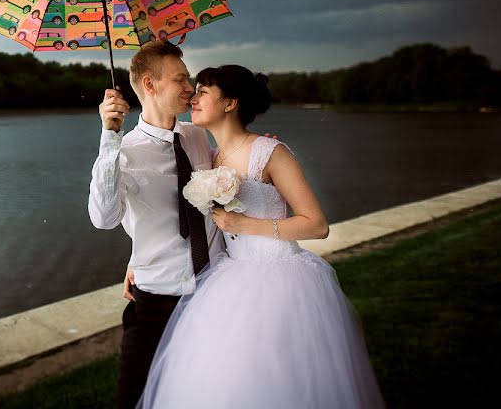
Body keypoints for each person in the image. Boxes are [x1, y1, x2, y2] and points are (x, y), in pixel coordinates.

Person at [138, 64, 384, 409]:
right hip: (229, 277)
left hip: (280, 280)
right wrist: (137, 263)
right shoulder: (209, 157)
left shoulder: (271, 152)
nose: (193, 96)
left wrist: (245, 226)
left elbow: (316, 224)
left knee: (280, 375)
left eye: (203, 92)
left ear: (230, 104)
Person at [88, 41, 225, 409]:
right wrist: (108, 137)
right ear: (149, 85)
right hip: (154, 303)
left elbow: (224, 189)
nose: (189, 87)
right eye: (180, 79)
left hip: (215, 293)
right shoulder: (123, 150)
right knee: (133, 399)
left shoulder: (198, 135)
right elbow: (103, 219)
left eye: (189, 78)